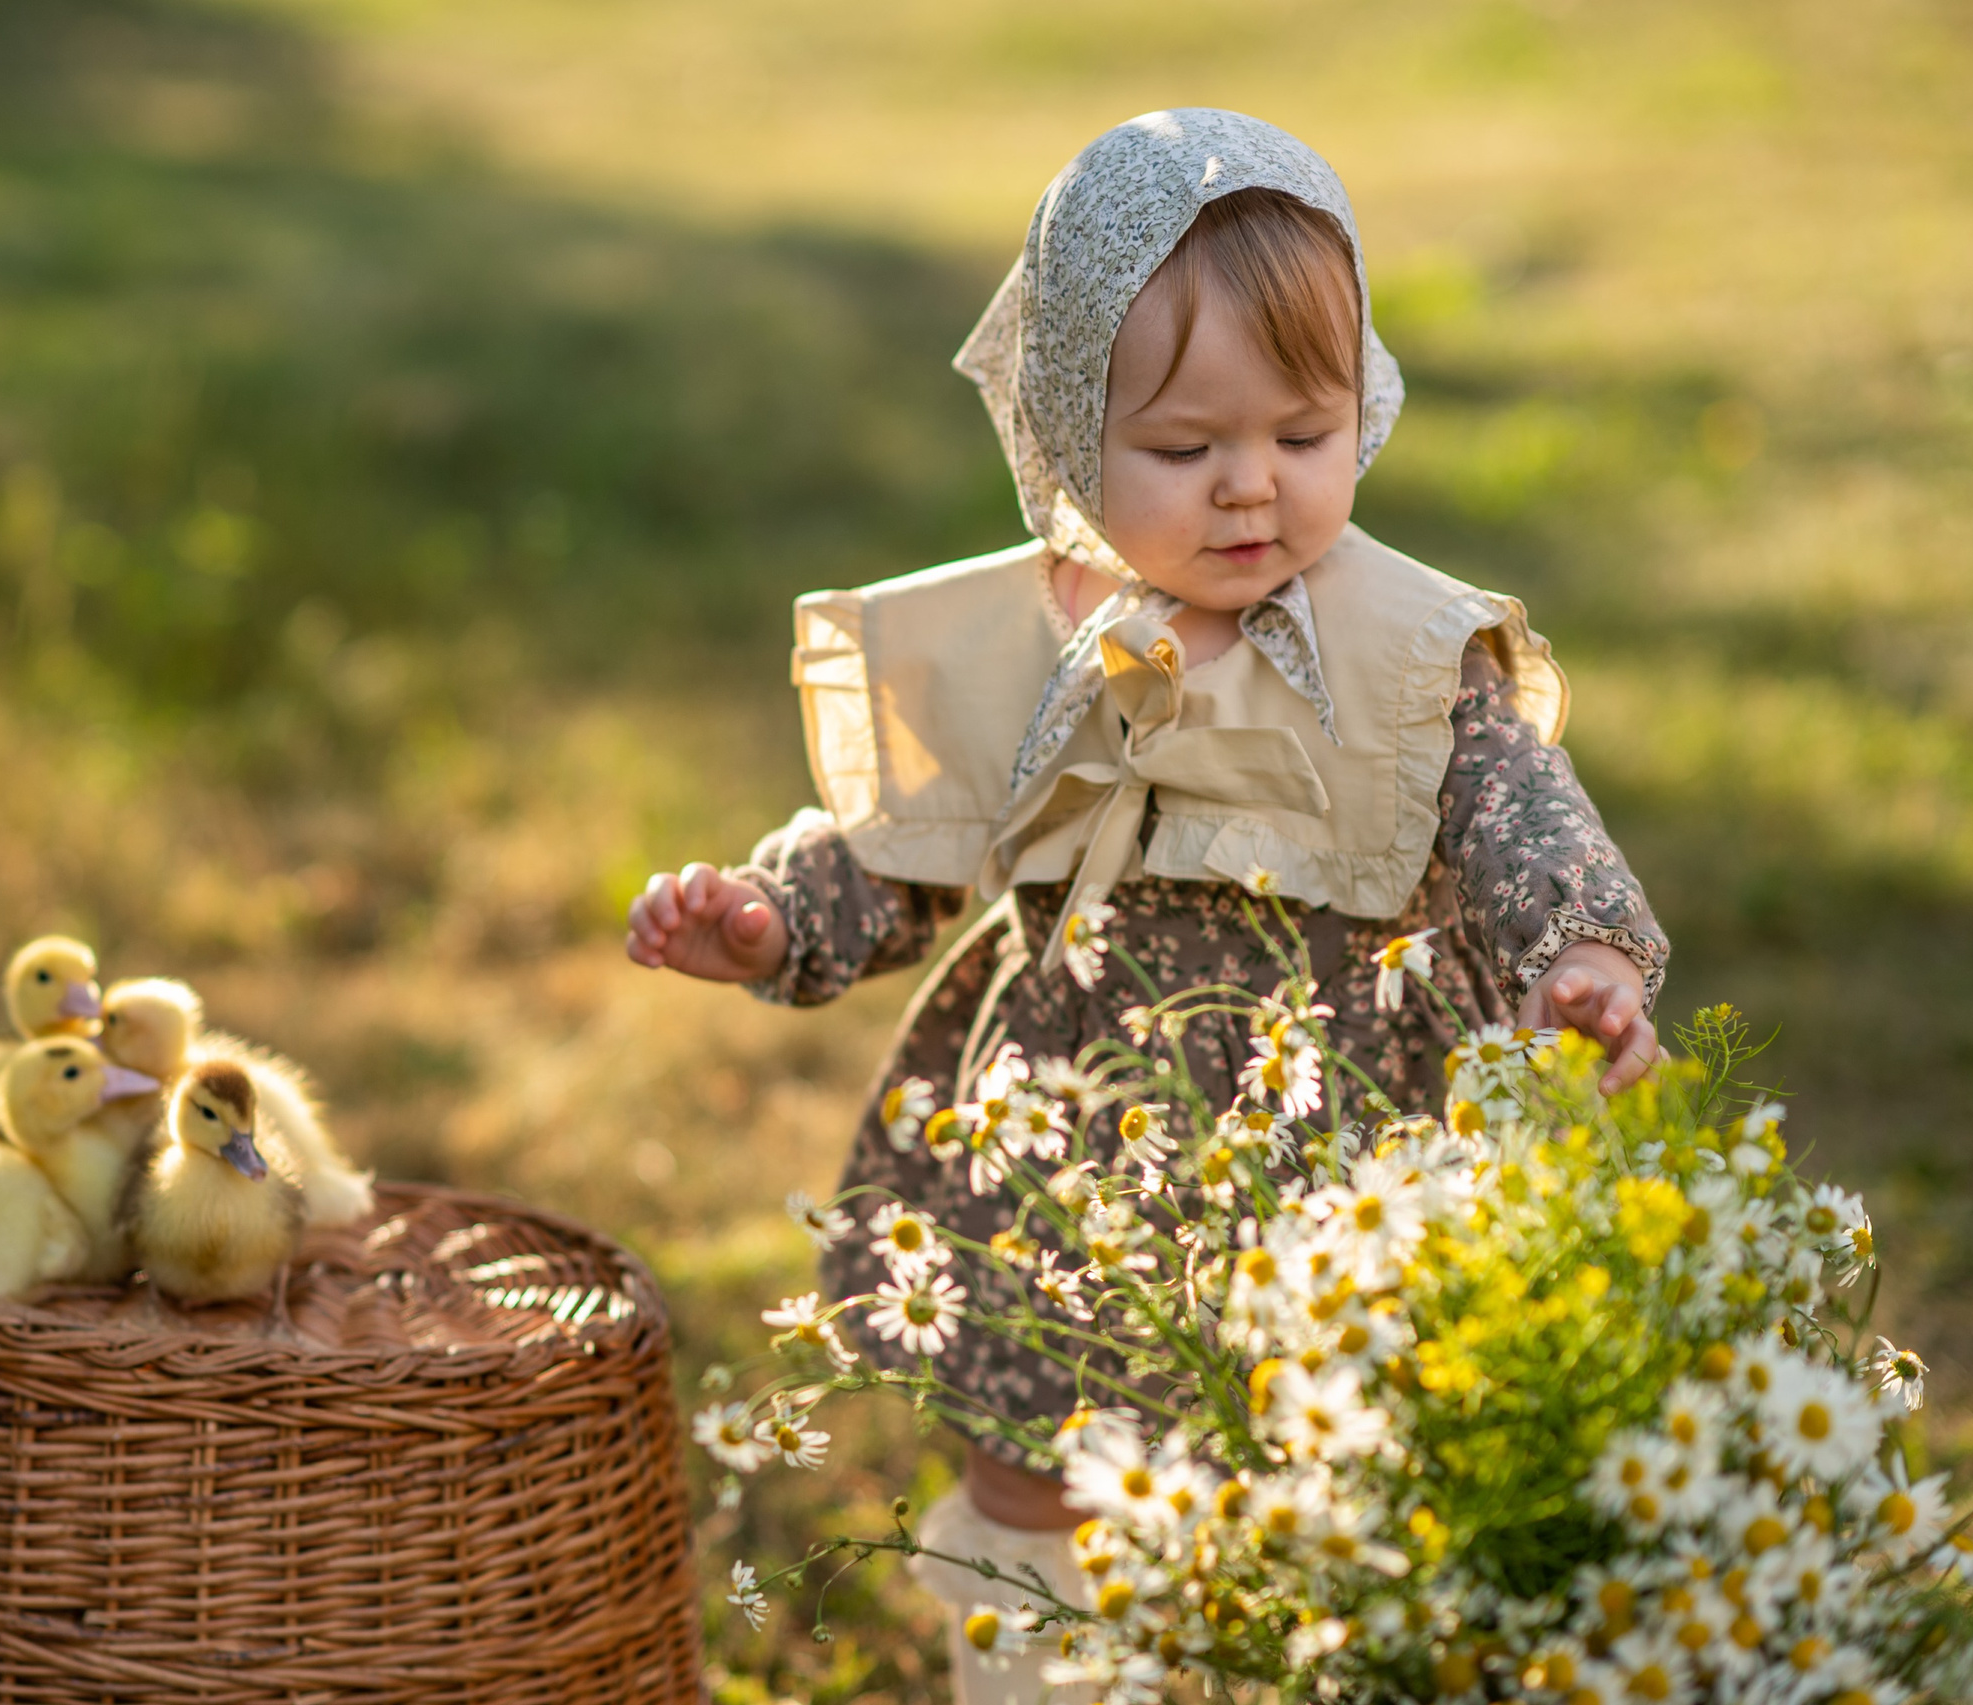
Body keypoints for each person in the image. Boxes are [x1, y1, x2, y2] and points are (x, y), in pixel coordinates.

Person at [626, 108, 1668, 1705]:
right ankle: (1037, 1669)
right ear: (1065, 432)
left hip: (1341, 1133)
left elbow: (1518, 810)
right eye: (1185, 451)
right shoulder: (1027, 638)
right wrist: (780, 918)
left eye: (1306, 435)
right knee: (1036, 1457)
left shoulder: (1403, 649)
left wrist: (1578, 952)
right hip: (1072, 1125)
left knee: (1322, 1459)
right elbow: (917, 838)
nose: (1253, 488)